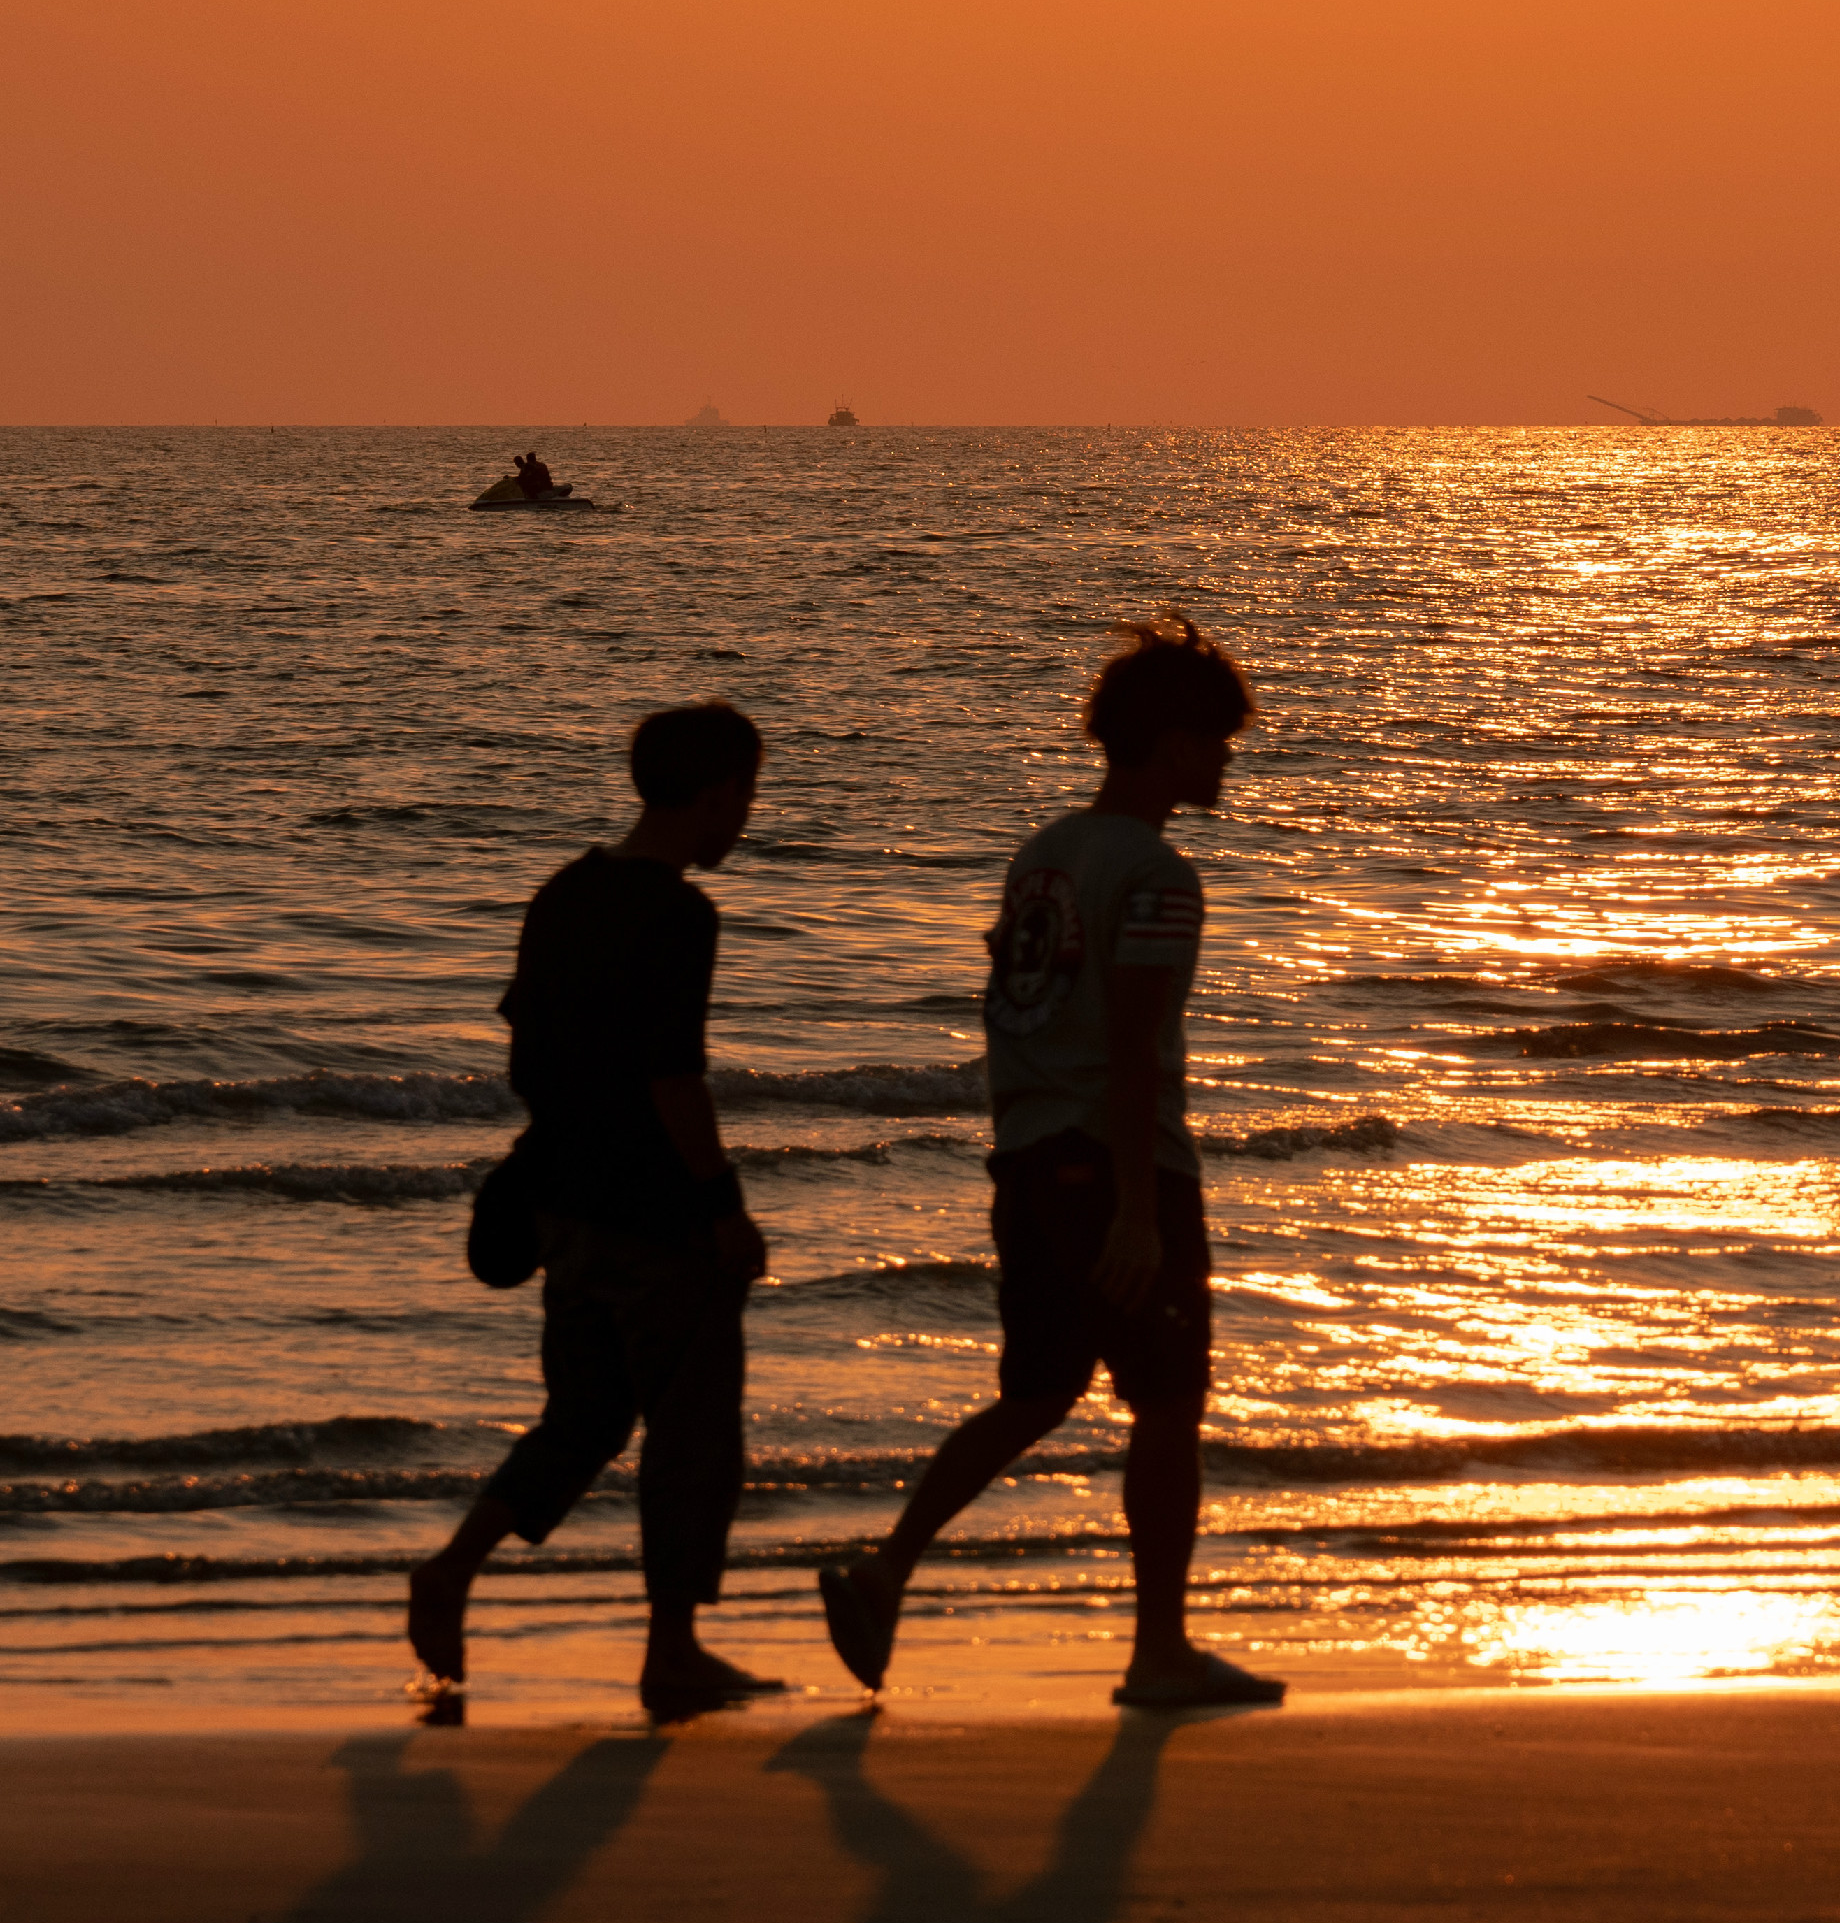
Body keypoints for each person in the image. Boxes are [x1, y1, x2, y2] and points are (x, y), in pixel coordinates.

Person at [818, 614, 1283, 1711]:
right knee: (1168, 1403)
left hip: (1025, 1158)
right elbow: (1128, 1048)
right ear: (1172, 744)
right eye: (1217, 742)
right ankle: (1158, 1651)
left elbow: (1014, 1014)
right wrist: (1135, 1209)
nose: (1225, 762)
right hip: (1117, 1163)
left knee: (1035, 1392)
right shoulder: (1160, 875)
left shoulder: (1043, 858)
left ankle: (886, 1567)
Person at [406, 697, 778, 1719]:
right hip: (656, 1214)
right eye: (744, 795)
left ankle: (453, 1567)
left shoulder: (565, 891)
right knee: (691, 1434)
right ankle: (673, 1651)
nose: (746, 816)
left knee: (584, 1417)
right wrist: (724, 1207)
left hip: (563, 1204)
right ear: (711, 796)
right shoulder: (679, 913)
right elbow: (673, 1081)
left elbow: (528, 1052)